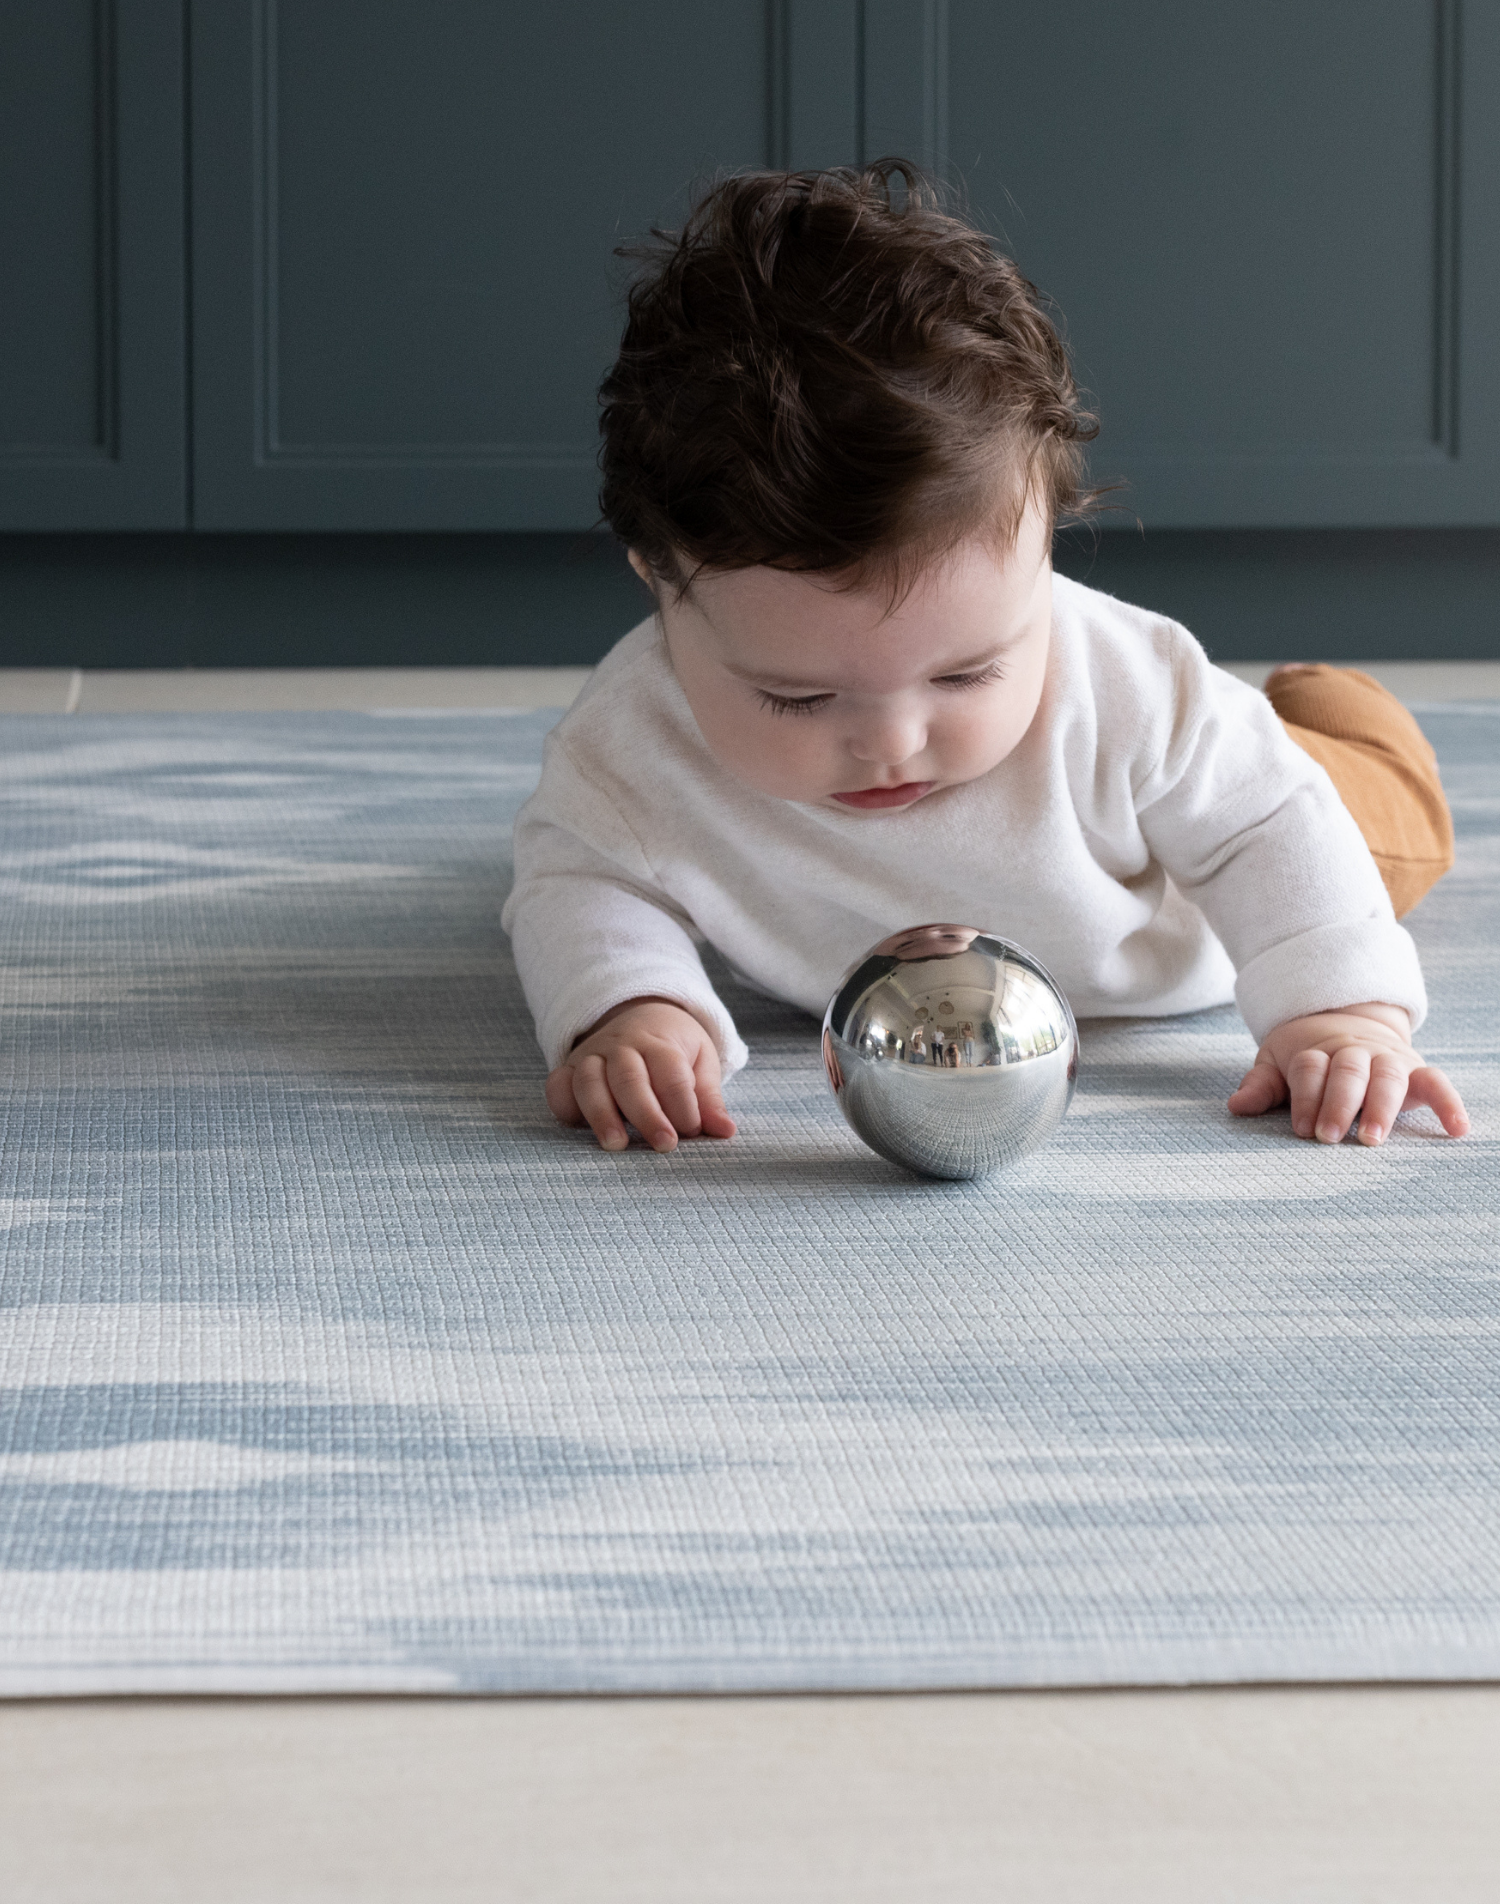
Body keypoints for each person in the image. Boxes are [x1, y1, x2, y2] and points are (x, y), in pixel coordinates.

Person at [503, 164, 1468, 1157]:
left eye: (963, 674)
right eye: (796, 697)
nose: (891, 739)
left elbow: (1268, 830)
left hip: (1196, 875)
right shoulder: (629, 743)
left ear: (1045, 545)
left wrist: (1342, 1013)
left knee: (1374, 819)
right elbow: (581, 878)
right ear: (659, 582)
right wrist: (629, 1005)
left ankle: (1343, 703)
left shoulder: (1131, 690)